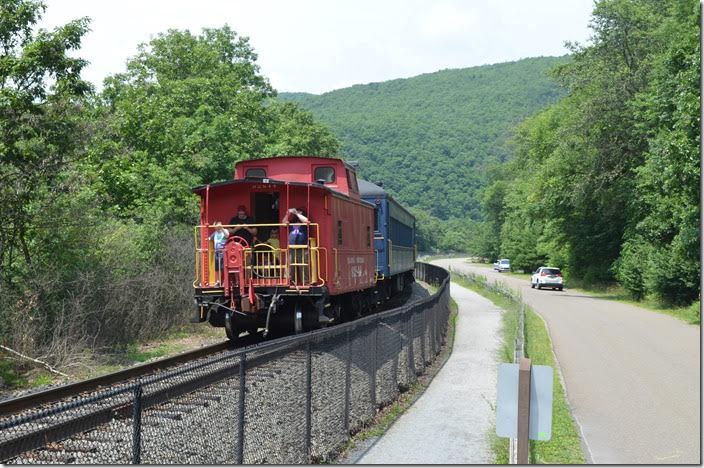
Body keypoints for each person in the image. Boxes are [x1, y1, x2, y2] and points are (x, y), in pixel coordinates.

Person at [283, 207, 309, 284]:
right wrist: (288, 214)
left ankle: (306, 281)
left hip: (302, 247)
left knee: (303, 265)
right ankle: (288, 280)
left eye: (299, 212)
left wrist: (297, 213)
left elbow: (306, 221)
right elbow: (284, 223)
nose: (297, 213)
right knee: (290, 265)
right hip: (291, 247)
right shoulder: (292, 221)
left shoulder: (303, 221)